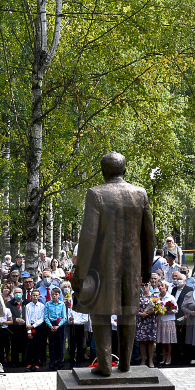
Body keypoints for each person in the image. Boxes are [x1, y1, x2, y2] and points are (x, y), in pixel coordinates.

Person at [72, 152, 156, 376]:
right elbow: (149, 236)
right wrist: (146, 269)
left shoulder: (96, 194)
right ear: (125, 170)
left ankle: (106, 364)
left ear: (103, 171)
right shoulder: (140, 194)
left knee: (100, 313)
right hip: (132, 267)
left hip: (102, 268)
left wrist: (79, 273)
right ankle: (125, 364)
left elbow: (88, 237)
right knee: (128, 312)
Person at [43, 285, 69, 371]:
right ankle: (52, 363)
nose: (54, 296)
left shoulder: (62, 304)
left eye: (56, 294)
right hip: (51, 324)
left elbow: (64, 317)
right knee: (52, 344)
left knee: (60, 344)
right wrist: (50, 325)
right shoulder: (48, 304)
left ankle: (60, 362)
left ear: (59, 295)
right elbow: (46, 316)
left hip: (59, 325)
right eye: (53, 294)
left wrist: (58, 326)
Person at [135, 281, 158, 367]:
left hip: (151, 321)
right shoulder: (138, 297)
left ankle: (151, 360)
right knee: (142, 342)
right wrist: (141, 314)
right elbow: (134, 309)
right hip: (141, 321)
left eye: (146, 285)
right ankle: (143, 360)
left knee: (151, 341)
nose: (144, 287)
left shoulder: (154, 296)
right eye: (142, 285)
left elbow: (158, 308)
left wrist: (150, 312)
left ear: (149, 285)